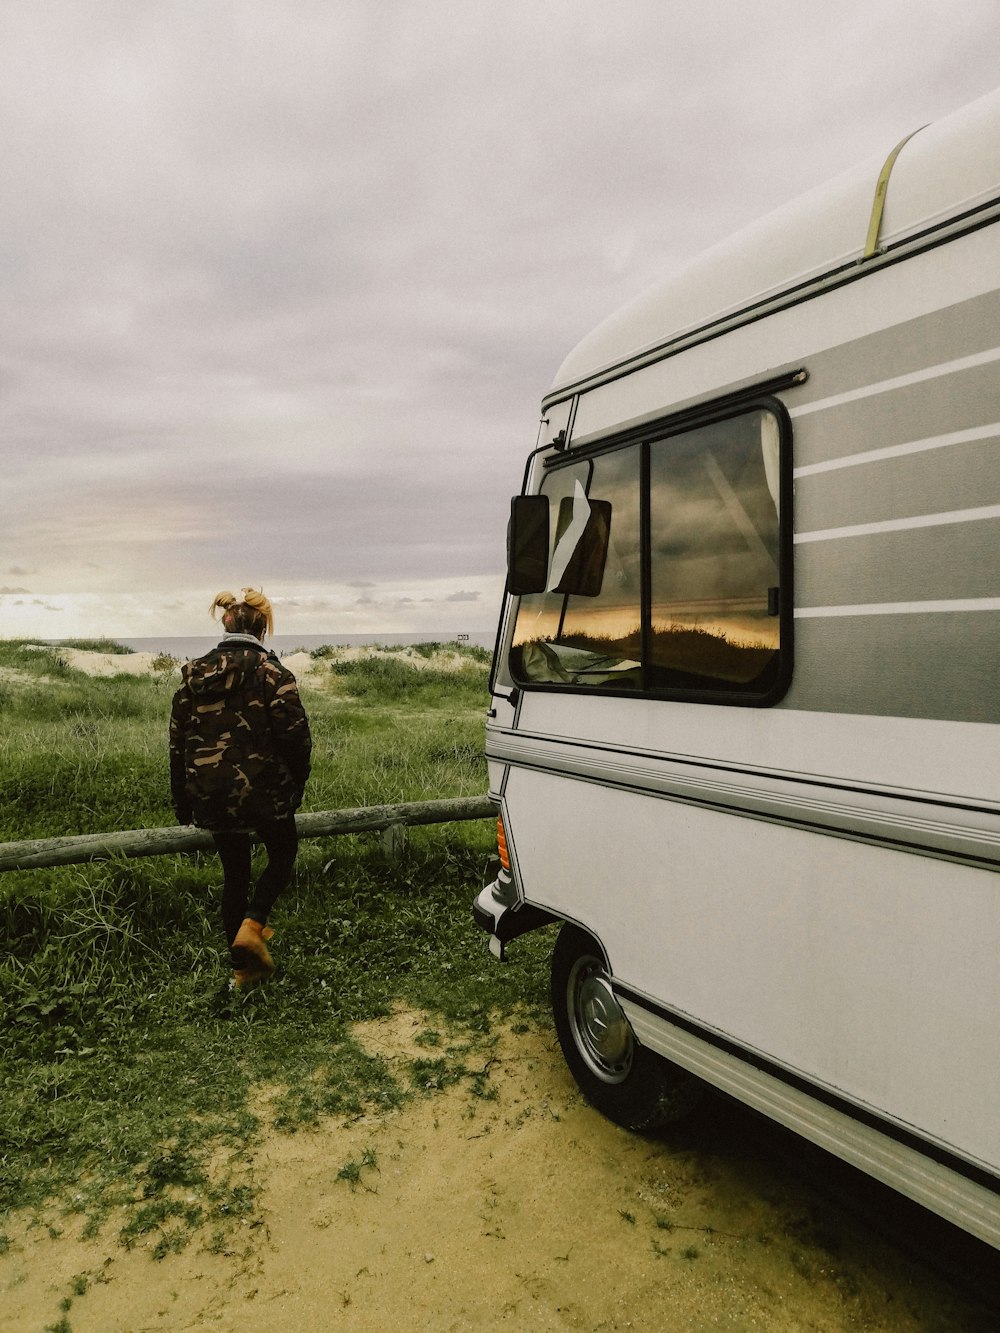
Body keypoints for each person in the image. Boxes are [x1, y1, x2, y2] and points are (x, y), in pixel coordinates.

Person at [169, 588, 312, 988]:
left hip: (210, 793)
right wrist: (295, 783)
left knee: (235, 876)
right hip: (266, 794)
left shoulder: (193, 675)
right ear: (263, 629)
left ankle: (242, 972)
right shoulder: (273, 675)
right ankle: (253, 925)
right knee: (283, 853)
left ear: (225, 624)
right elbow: (296, 738)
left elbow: (177, 743)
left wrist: (183, 799)